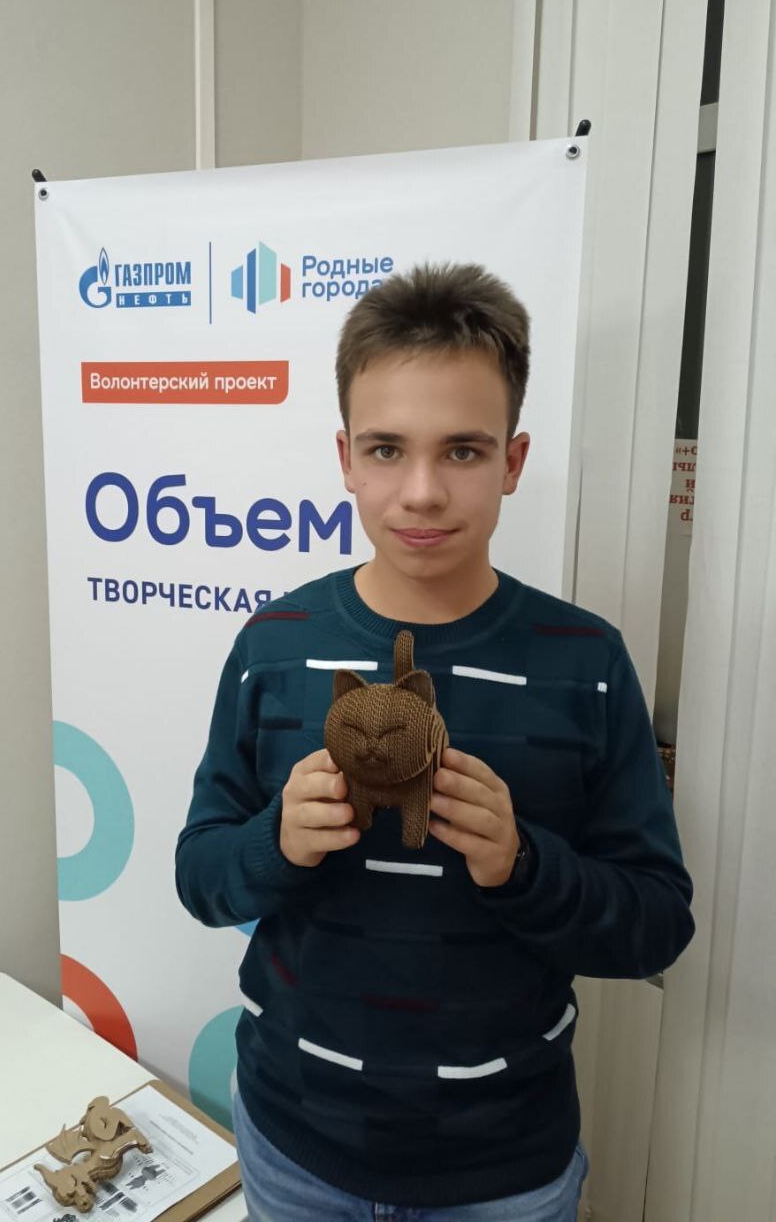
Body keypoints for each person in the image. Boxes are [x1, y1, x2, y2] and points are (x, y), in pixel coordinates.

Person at [175, 262, 695, 1220]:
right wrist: (274, 843)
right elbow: (199, 877)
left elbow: (658, 925)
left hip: (505, 1171)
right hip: (294, 1146)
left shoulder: (587, 661)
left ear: (513, 461)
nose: (420, 492)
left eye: (462, 450)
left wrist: (524, 865)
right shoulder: (274, 645)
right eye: (386, 449)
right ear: (345, 457)